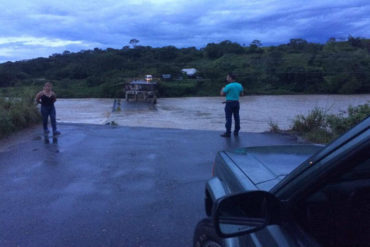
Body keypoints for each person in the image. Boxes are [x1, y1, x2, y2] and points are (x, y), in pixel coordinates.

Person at [220, 73, 243, 137]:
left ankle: (228, 133)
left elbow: (222, 94)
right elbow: (241, 95)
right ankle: (236, 132)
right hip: (236, 103)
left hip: (229, 103)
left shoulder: (228, 86)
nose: (226, 78)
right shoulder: (239, 85)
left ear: (230, 78)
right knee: (237, 117)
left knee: (228, 118)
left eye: (227, 77)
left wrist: (222, 89)